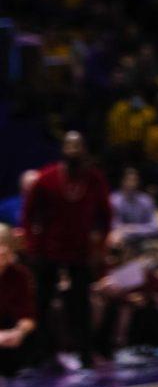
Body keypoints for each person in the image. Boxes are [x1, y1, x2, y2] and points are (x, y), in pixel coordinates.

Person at [22, 132, 112, 371]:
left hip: (80, 253)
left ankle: (84, 354)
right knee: (42, 302)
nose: (73, 150)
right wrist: (33, 246)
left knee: (80, 305)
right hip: (48, 252)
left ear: (84, 150)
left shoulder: (94, 179)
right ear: (62, 149)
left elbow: (105, 217)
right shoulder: (47, 177)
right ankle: (43, 355)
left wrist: (100, 248)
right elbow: (29, 215)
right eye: (69, 146)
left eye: (77, 146)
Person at [0, 237, 37, 387]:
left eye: (5, 252)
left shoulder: (19, 275)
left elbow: (28, 314)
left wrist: (18, 333)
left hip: (8, 331)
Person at [109, 168, 158, 247]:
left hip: (144, 240)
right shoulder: (113, 200)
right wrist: (126, 231)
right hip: (122, 239)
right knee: (114, 240)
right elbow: (114, 226)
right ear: (122, 181)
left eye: (135, 180)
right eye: (128, 180)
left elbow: (156, 227)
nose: (132, 183)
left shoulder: (147, 200)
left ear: (139, 182)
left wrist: (132, 228)